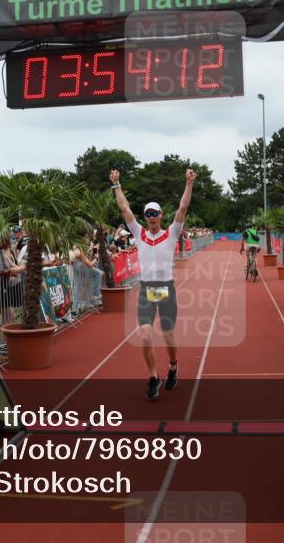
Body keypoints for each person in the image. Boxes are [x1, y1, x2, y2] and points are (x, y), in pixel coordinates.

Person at [110, 167, 195, 399]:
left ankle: (173, 366)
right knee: (146, 335)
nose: (150, 217)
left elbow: (183, 207)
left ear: (160, 215)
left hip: (166, 289)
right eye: (147, 214)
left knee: (168, 337)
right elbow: (125, 208)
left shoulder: (172, 233)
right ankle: (153, 377)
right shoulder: (139, 233)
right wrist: (117, 185)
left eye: (154, 213)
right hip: (147, 289)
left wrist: (188, 183)